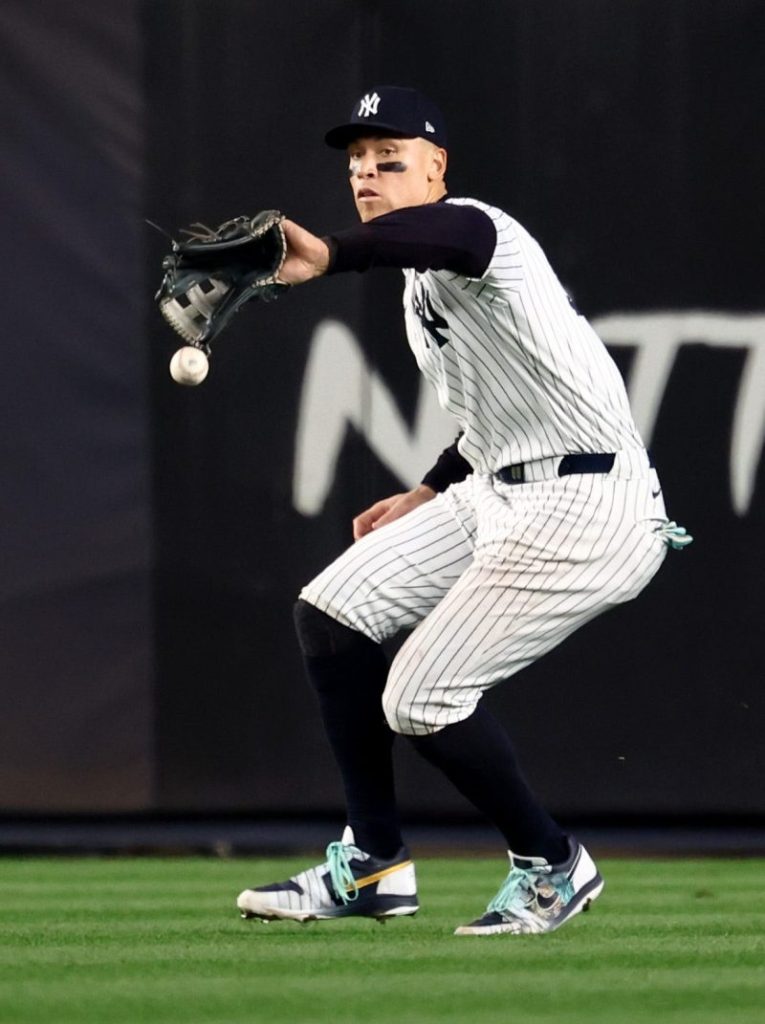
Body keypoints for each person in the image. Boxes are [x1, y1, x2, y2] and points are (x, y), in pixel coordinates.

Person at [236, 86, 690, 936]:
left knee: (420, 698)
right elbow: (495, 411)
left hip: (589, 503)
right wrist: (426, 489)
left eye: (390, 159)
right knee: (331, 613)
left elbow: (447, 234)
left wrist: (329, 255)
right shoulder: (420, 282)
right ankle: (373, 865)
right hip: (496, 489)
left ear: (436, 168)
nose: (366, 174)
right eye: (356, 164)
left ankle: (551, 865)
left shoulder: (481, 231)